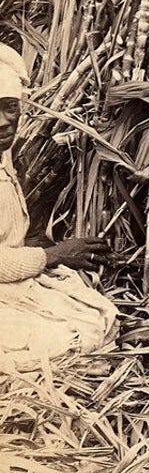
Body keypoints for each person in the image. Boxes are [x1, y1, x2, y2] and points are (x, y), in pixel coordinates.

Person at [0, 43, 118, 369]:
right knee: (70, 339)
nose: (3, 122)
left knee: (101, 318)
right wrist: (55, 255)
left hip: (11, 284)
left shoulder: (5, 157)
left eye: (10, 107)